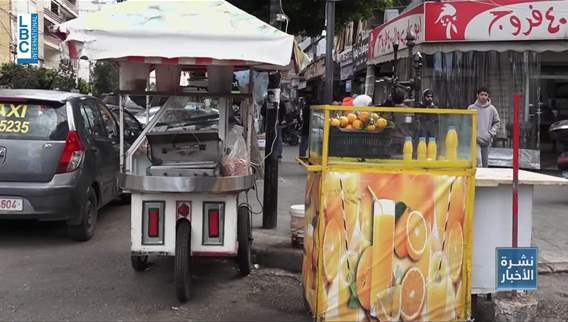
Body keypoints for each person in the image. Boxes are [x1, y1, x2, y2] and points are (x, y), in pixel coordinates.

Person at [468, 86, 500, 168]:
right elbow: (467, 123)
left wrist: (491, 133)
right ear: (477, 95)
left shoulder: (492, 109)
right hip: (475, 139)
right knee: (478, 161)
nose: (484, 97)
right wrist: (472, 134)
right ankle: (477, 179)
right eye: (482, 94)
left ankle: (483, 179)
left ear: (488, 96)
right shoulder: (471, 108)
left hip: (487, 140)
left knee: (485, 163)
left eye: (486, 95)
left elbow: (497, 122)